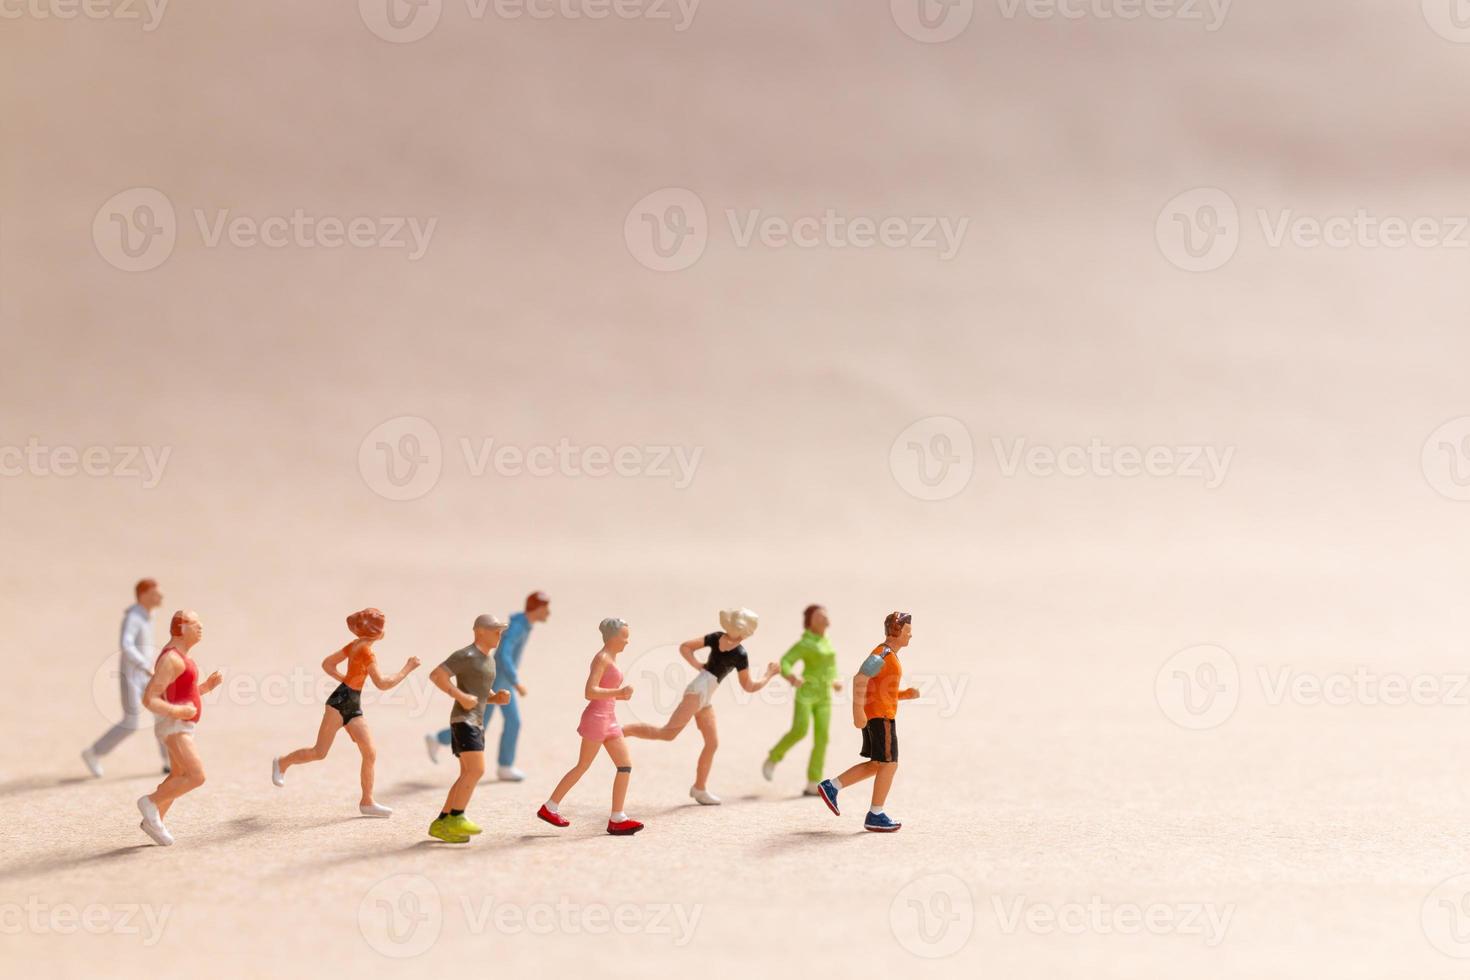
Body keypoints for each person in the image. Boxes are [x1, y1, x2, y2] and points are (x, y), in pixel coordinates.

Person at [271, 608, 420, 816]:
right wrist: (408, 668)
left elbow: (327, 664)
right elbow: (382, 684)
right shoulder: (366, 651)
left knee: (369, 752)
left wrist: (346, 680)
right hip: (339, 703)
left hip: (352, 701)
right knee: (319, 752)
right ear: (376, 631)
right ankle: (282, 762)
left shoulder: (355, 645)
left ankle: (367, 801)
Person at [623, 607, 778, 805]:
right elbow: (748, 686)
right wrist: (769, 674)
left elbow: (686, 647)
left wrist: (699, 666)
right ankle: (621, 731)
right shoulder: (739, 653)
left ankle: (699, 788)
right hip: (697, 692)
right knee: (668, 733)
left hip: (705, 695)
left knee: (712, 743)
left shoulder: (719, 639)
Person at [425, 591, 549, 781]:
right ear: (537, 608)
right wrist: (516, 681)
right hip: (497, 679)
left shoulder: (524, 626)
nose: (548, 612)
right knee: (479, 723)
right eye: (545, 608)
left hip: (503, 680)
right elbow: (503, 655)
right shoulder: (517, 627)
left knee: (508, 722)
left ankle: (505, 765)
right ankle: (440, 738)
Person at [536, 617, 643, 835]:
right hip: (596, 719)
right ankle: (550, 807)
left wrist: (619, 697)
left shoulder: (611, 657)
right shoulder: (602, 658)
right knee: (583, 765)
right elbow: (590, 692)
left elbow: (605, 692)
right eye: (624, 636)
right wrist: (619, 693)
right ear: (613, 637)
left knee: (625, 765)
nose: (627, 641)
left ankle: (617, 817)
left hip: (610, 718)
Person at [816, 611, 920, 833]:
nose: (911, 636)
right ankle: (876, 814)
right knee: (889, 764)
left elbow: (882, 690)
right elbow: (860, 679)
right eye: (908, 632)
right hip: (880, 717)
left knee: (876, 764)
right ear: (897, 631)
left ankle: (831, 786)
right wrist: (857, 713)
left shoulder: (889, 655)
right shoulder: (882, 655)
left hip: (879, 714)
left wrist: (904, 694)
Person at [136, 610, 221, 846]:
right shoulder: (171, 659)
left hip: (182, 724)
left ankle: (155, 821)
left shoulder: (184, 659)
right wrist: (178, 712)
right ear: (181, 628)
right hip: (174, 726)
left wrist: (207, 687)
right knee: (196, 776)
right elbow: (149, 698)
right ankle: (150, 803)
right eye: (196, 624)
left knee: (177, 776)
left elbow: (186, 694)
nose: (201, 627)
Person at [426, 614, 511, 843]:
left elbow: (481, 693)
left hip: (476, 721)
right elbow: (437, 675)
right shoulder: (466, 655)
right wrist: (460, 696)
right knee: (476, 770)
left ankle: (442, 822)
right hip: (464, 720)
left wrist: (496, 698)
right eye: (495, 631)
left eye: (501, 632)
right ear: (480, 631)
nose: (499, 636)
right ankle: (457, 816)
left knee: (467, 772)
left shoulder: (489, 660)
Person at [83, 579, 171, 777]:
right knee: (131, 721)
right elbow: (126, 644)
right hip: (132, 675)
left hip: (146, 674)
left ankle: (168, 759)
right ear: (144, 595)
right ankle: (93, 752)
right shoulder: (133, 617)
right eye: (156, 593)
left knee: (162, 713)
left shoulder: (150, 614)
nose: (161, 597)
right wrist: (143, 664)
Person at [762, 604, 842, 795]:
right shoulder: (805, 644)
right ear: (810, 622)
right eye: (818, 616)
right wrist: (791, 677)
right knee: (800, 729)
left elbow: (831, 666)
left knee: (822, 737)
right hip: (806, 692)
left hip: (824, 695)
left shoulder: (827, 643)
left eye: (825, 614)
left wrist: (835, 680)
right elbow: (786, 661)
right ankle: (774, 756)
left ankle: (813, 780)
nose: (824, 618)